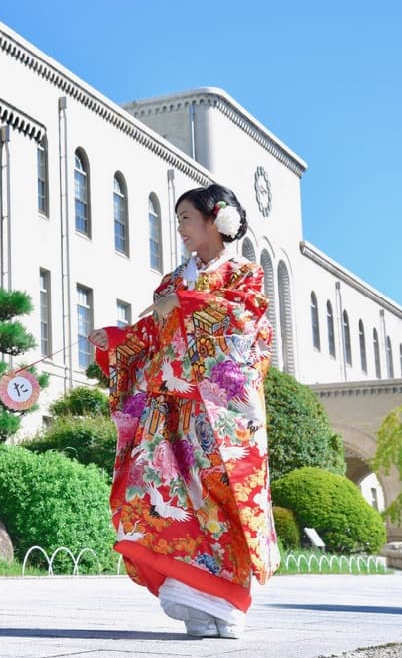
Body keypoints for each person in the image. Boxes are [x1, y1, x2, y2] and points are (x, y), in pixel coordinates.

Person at [89, 184, 279, 639]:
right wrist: (116, 342)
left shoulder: (244, 274)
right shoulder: (172, 281)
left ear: (216, 220)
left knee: (224, 496)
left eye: (186, 218)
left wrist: (189, 304)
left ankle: (228, 600)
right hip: (171, 411)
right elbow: (152, 334)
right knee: (168, 490)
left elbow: (246, 320)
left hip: (224, 414)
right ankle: (193, 598)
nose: (180, 229)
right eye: (177, 220)